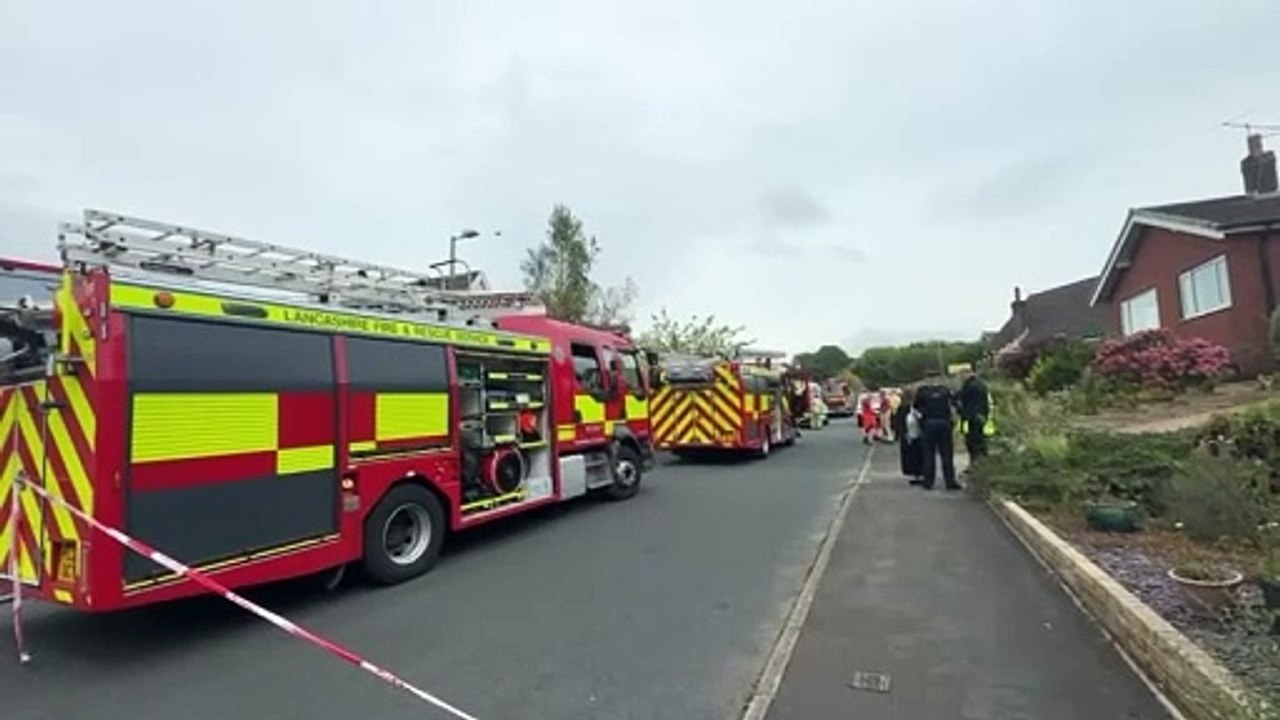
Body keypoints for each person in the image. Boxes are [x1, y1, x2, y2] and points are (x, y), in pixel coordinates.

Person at [912, 374, 961, 490]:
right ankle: (950, 481)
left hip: (929, 424)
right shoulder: (946, 390)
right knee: (947, 454)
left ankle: (928, 482)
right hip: (944, 423)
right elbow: (955, 406)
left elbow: (916, 407)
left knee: (929, 454)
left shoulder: (922, 391)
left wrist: (920, 421)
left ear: (927, 379)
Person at [892, 387, 924, 483]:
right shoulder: (918, 406)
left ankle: (915, 475)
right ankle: (921, 473)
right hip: (919, 433)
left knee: (909, 456)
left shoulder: (902, 407)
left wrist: (899, 434)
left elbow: (897, 422)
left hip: (907, 434)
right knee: (920, 454)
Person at [958, 369, 990, 459]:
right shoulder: (981, 384)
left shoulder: (969, 386)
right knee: (980, 441)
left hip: (972, 417)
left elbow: (963, 399)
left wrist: (960, 410)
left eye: (961, 376)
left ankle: (976, 463)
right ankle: (983, 462)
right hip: (981, 415)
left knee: (973, 442)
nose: (960, 378)